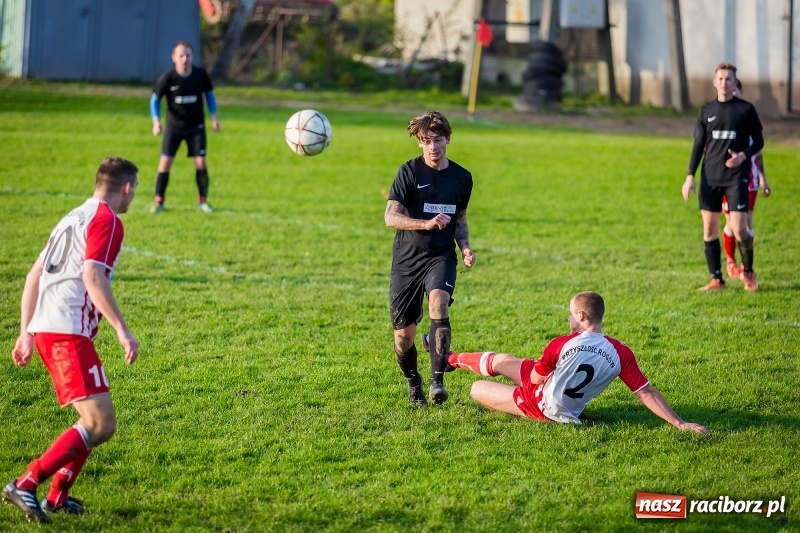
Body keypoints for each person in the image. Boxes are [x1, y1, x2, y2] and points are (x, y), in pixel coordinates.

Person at [3, 157, 141, 523]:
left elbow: (33, 276)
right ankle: (25, 484)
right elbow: (93, 276)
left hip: (52, 329)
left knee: (91, 420)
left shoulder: (72, 216)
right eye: (134, 190)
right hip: (66, 332)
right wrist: (122, 330)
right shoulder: (108, 220)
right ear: (127, 188)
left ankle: (57, 497)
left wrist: (25, 331)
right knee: (100, 423)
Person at [447, 291, 709, 434]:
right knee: (504, 360)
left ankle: (456, 363)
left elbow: (536, 378)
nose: (569, 319)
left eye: (571, 314)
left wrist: (544, 367)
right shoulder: (620, 352)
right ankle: (449, 359)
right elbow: (646, 392)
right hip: (564, 401)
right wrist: (680, 423)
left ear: (581, 316)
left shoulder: (561, 343)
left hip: (543, 407)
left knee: (477, 388)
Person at [384, 110, 476, 407]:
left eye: (438, 139)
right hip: (407, 260)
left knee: (439, 302)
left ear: (448, 139)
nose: (433, 146)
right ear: (419, 143)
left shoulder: (462, 178)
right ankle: (414, 382)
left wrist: (465, 247)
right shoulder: (409, 172)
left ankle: (438, 381)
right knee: (403, 339)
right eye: (426, 141)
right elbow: (390, 217)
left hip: (441, 256)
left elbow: (460, 218)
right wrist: (425, 224)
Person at [682, 62, 764, 291]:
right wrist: (690, 176)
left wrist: (743, 156)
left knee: (740, 228)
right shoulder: (706, 111)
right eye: (721, 78)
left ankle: (748, 271)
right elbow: (698, 145)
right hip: (710, 177)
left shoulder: (746, 109)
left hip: (736, 177)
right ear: (714, 82)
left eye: (729, 79)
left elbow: (759, 141)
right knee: (709, 230)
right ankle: (717, 279)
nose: (724, 83)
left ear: (734, 82)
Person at [150, 40, 220, 214]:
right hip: (174, 127)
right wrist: (156, 121)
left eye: (188, 55)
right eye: (181, 55)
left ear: (192, 56)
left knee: (200, 161)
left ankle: (203, 201)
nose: (185, 59)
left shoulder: (200, 75)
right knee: (165, 163)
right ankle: (159, 201)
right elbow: (155, 99)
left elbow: (210, 95)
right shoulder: (168, 78)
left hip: (196, 126)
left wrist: (214, 117)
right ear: (174, 57)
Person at [721, 78, 772, 279]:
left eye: (736, 91)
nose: (732, 94)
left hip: (750, 177)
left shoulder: (748, 115)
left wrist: (763, 179)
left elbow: (758, 150)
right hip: (727, 178)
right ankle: (731, 260)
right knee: (731, 223)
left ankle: (746, 266)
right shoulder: (721, 116)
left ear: (740, 93)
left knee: (747, 222)